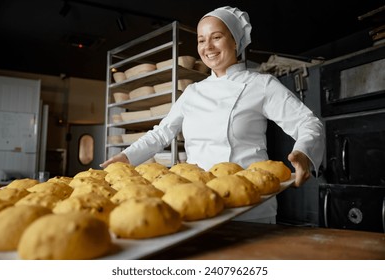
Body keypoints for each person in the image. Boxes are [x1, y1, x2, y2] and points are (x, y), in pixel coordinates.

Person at [100, 6, 324, 224]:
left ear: (235, 41)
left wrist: (303, 152)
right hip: (197, 200)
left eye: (216, 37)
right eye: (201, 40)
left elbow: (308, 122)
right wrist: (126, 158)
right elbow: (161, 133)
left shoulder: (261, 84)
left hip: (250, 203)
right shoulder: (192, 92)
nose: (208, 46)